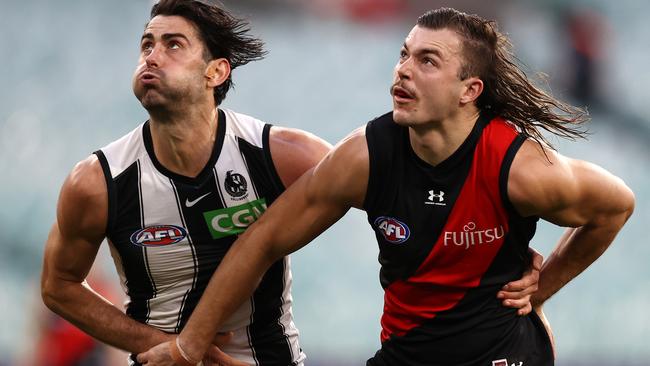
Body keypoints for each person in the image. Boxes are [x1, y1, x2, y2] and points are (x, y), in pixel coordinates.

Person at [40, 2, 539, 365]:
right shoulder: (98, 182)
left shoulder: (283, 155)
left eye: (173, 45)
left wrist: (503, 255)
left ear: (217, 70)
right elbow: (59, 286)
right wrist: (158, 345)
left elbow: (411, 206)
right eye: (146, 44)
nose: (151, 56)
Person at [136, 7, 635, 366]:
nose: (402, 69)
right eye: (404, 54)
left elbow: (615, 206)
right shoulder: (366, 156)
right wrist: (190, 343)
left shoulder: (520, 167)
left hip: (504, 354)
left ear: (470, 91)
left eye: (428, 61)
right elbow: (264, 238)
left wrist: (543, 289)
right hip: (406, 352)